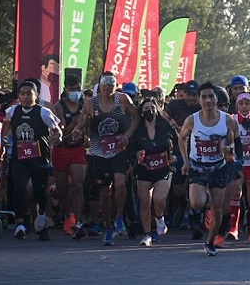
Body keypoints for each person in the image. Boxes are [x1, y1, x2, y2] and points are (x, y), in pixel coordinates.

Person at [71, 72, 141, 246]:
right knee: (105, 192)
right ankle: (108, 227)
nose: (108, 87)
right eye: (105, 83)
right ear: (99, 86)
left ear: (116, 86)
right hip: (99, 151)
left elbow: (137, 117)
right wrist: (78, 132)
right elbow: (81, 124)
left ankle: (119, 217)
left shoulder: (122, 99)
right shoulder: (90, 103)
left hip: (118, 149)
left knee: (120, 183)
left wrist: (127, 135)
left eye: (111, 84)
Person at [178, 82, 239, 256]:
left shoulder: (227, 120)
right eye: (204, 97)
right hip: (197, 167)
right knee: (197, 203)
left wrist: (228, 149)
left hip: (218, 167)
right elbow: (182, 138)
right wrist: (185, 161)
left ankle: (210, 242)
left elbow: (233, 142)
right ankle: (201, 194)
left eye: (211, 96)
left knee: (217, 209)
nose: (208, 100)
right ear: (199, 100)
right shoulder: (192, 120)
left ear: (216, 98)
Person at [1, 81, 62, 240]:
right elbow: (6, 127)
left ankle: (41, 214)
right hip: (20, 157)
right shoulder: (12, 111)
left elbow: (57, 129)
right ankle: (20, 223)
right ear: (19, 96)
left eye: (29, 93)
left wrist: (56, 137)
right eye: (23, 94)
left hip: (39, 158)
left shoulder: (44, 112)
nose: (26, 97)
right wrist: (4, 139)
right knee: (20, 187)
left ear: (36, 95)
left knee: (39, 192)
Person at [223, 91, 250, 244]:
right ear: (236, 106)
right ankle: (233, 228)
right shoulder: (232, 119)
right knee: (235, 193)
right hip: (238, 162)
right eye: (241, 104)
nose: (243, 106)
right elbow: (226, 139)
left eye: (247, 103)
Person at [132, 98, 176, 247]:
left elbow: (179, 141)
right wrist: (136, 155)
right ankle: (147, 234)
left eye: (152, 107)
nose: (149, 111)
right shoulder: (138, 129)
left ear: (157, 110)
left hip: (163, 166)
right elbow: (131, 148)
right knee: (145, 203)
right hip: (144, 168)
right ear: (141, 112)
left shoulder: (165, 126)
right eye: (146, 108)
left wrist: (174, 155)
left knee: (159, 199)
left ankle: (159, 217)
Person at [52, 74, 87, 238]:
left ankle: (79, 221)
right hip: (61, 149)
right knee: (62, 189)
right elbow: (62, 132)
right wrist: (74, 122)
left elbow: (90, 125)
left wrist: (88, 136)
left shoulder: (85, 104)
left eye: (78, 89)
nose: (76, 92)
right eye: (72, 89)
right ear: (66, 89)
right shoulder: (59, 106)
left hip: (77, 149)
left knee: (78, 185)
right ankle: (68, 216)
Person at [165, 80, 201, 232]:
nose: (192, 98)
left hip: (198, 150)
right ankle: (183, 202)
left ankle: (194, 216)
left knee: (195, 183)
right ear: (184, 94)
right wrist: (175, 128)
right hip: (178, 149)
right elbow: (163, 120)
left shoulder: (202, 107)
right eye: (189, 94)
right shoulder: (174, 105)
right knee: (178, 186)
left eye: (195, 95)